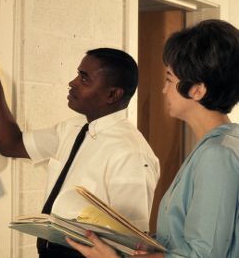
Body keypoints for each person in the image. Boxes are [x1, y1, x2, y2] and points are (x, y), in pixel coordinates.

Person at [0, 44, 160, 258]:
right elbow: (11, 144)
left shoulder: (131, 154)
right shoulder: (72, 128)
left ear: (113, 94)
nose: (72, 83)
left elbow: (132, 246)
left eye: (84, 78)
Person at [66, 19, 239, 258]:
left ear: (197, 90)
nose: (163, 89)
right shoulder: (217, 146)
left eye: (169, 79)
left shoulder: (218, 154)